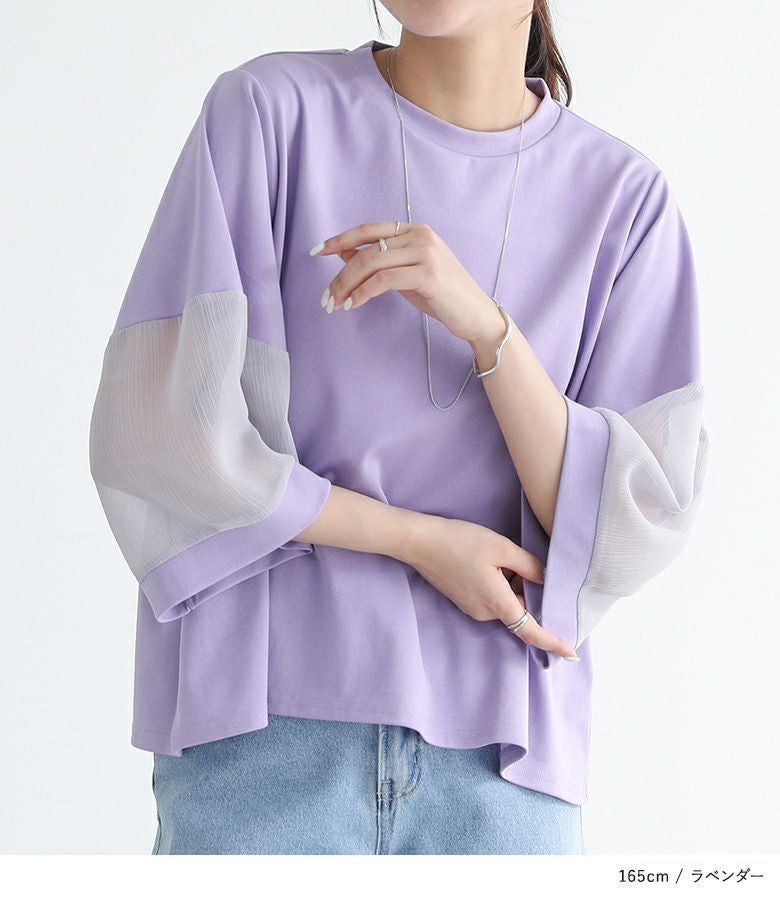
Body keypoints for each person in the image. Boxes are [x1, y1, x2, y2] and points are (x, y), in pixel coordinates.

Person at [88, 0, 710, 855]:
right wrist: (419, 541)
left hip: (502, 770)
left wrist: (486, 329)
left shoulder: (624, 202)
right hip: (264, 737)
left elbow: (635, 524)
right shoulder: (270, 114)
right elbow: (161, 434)